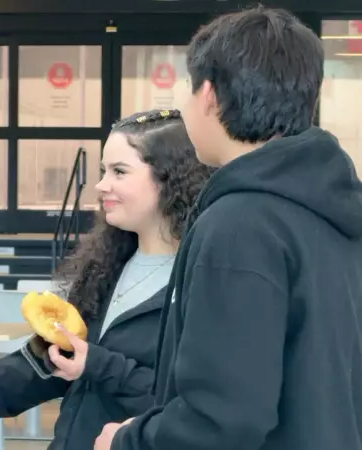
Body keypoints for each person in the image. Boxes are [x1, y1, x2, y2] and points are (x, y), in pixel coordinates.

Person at [99, 7, 362, 450]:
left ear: (209, 95)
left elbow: (222, 416)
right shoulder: (333, 210)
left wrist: (128, 441)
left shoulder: (239, 225)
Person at [0, 109, 213, 450]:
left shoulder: (204, 280)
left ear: (169, 178)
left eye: (119, 171)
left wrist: (97, 365)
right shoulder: (105, 271)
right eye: (103, 171)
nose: (101, 185)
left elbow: (196, 410)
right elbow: (35, 369)